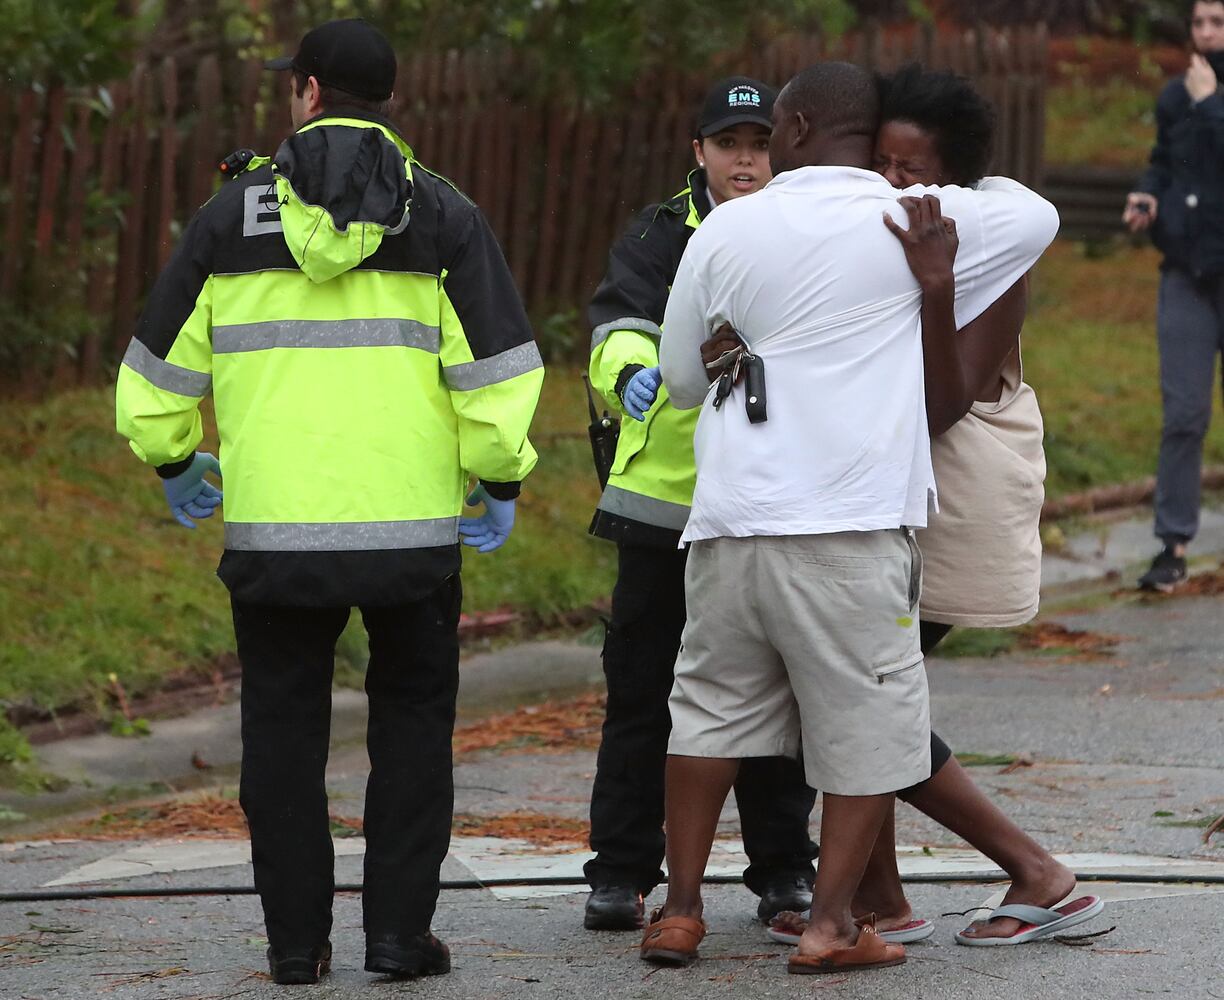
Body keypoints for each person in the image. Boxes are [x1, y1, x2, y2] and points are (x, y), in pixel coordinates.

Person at [115, 19, 543, 985]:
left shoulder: (229, 220)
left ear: (307, 92)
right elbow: (501, 372)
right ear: (388, 100)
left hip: (275, 542)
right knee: (412, 737)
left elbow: (152, 377)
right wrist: (500, 475)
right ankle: (397, 939)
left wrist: (173, 461)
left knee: (280, 739)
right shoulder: (441, 216)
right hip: (415, 543)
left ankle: (293, 948)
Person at [645, 62, 1059, 974]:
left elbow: (678, 381)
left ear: (791, 129)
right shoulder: (911, 222)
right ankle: (835, 925)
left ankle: (677, 912)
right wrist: (938, 198)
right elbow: (1038, 214)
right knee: (869, 723)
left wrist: (733, 345)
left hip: (730, 519)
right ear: (865, 142)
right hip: (851, 523)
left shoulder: (728, 226)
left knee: (709, 716)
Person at [583, 77, 818, 933]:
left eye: (758, 143)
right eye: (728, 144)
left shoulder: (801, 227)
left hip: (766, 496)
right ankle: (620, 873)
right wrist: (626, 375)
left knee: (773, 694)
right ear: (699, 153)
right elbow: (614, 328)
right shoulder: (657, 234)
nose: (745, 159)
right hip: (667, 503)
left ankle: (785, 872)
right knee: (642, 694)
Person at [1125, 0, 1224, 591]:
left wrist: (1212, 102)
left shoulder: (1203, 94)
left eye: (1217, 22)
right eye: (1199, 23)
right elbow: (1164, 164)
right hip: (1186, 272)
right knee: (1184, 414)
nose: (1206, 33)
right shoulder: (1175, 95)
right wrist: (1147, 196)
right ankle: (1173, 545)